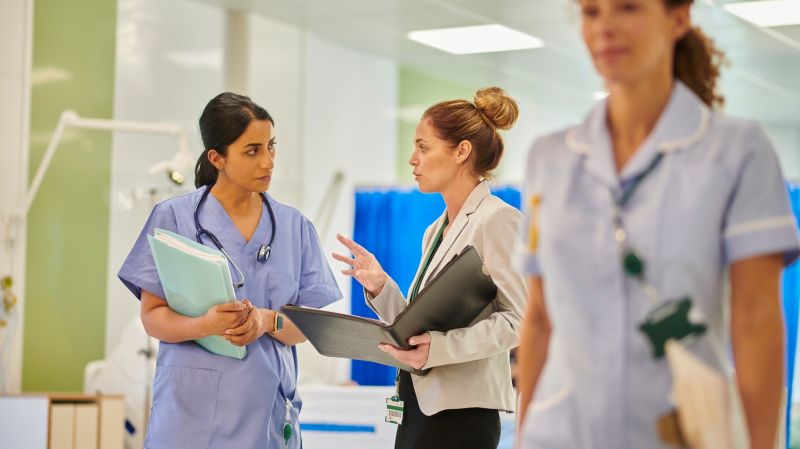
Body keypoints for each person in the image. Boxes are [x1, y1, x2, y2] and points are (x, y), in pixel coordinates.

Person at [514, 1, 800, 449]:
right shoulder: (549, 159)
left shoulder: (735, 152)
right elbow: (539, 318)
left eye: (627, 8)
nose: (604, 27)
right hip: (561, 434)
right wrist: (523, 435)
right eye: (591, 12)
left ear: (679, 17)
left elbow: (756, 320)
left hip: (680, 432)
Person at [118, 92, 341, 449]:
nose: (267, 161)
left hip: (265, 415)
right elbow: (153, 317)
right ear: (217, 157)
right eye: (252, 151)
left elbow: (309, 327)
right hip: (188, 417)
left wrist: (268, 321)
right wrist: (204, 325)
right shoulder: (173, 218)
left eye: (271, 146)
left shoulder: (294, 227)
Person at [334, 87, 527, 449]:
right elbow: (417, 326)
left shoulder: (497, 220)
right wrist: (380, 286)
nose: (413, 159)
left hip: (462, 414)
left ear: (461, 151)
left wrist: (438, 349)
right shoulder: (435, 231)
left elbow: (519, 321)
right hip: (418, 406)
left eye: (423, 147)